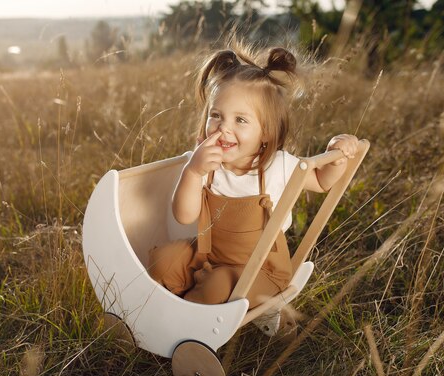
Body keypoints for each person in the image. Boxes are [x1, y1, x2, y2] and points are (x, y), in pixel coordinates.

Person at [148, 45, 359, 309]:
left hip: (261, 269)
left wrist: (336, 154)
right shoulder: (204, 162)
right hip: (209, 256)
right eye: (216, 115)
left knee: (217, 285)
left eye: (240, 120)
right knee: (164, 260)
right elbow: (184, 215)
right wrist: (193, 171)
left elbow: (322, 181)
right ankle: (189, 294)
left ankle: (189, 311)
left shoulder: (277, 166)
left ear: (267, 133)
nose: (224, 127)